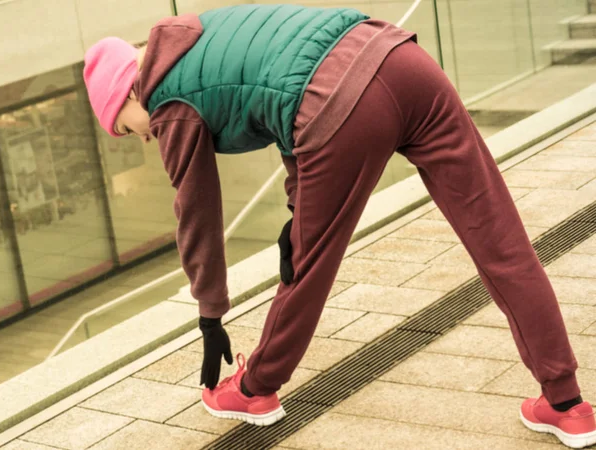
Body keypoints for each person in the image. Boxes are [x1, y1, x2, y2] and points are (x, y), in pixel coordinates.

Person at [82, 4, 596, 447]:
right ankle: (568, 403)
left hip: (343, 103)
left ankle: (254, 389)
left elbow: (196, 214)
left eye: (125, 129)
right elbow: (281, 95)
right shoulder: (199, 36)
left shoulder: (167, 101)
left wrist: (211, 314)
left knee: (308, 267)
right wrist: (296, 209)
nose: (141, 140)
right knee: (501, 243)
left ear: (126, 94)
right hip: (400, 57)